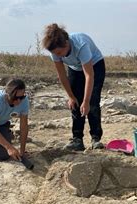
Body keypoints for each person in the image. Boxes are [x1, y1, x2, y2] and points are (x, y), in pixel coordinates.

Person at [42, 23, 105, 151]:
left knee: (92, 103)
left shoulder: (81, 45)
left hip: (95, 66)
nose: (58, 56)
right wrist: (71, 96)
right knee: (75, 103)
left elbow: (89, 76)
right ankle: (77, 139)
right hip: (75, 68)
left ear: (66, 43)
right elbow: (62, 76)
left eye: (59, 52)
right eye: (55, 54)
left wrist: (86, 101)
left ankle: (95, 139)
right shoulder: (55, 51)